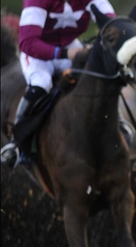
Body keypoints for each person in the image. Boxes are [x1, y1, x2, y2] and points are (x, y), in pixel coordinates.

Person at [0, 0, 117, 169]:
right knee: (41, 84)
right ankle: (17, 143)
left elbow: (112, 25)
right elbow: (28, 42)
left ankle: (118, 124)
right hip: (37, 53)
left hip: (69, 47)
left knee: (97, 77)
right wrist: (65, 53)